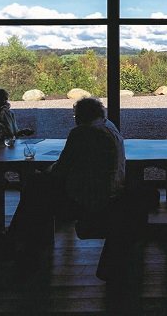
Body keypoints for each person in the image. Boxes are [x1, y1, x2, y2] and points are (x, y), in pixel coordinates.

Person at [8, 98, 152, 278]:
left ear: (80, 116)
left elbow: (61, 170)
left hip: (87, 198)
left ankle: (18, 242)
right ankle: (21, 241)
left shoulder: (81, 133)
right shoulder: (109, 128)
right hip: (110, 191)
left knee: (36, 186)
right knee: (39, 187)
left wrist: (47, 168)